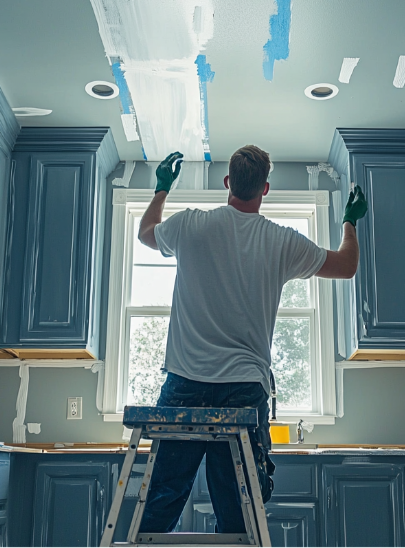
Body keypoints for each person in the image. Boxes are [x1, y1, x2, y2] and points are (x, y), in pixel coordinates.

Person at [135, 145, 367, 533]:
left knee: (161, 501)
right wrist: (349, 222)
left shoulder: (190, 224)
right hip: (243, 391)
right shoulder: (281, 241)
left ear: (228, 183)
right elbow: (345, 266)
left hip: (185, 385)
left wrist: (162, 188)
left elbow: (145, 234)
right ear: (265, 189)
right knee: (239, 513)